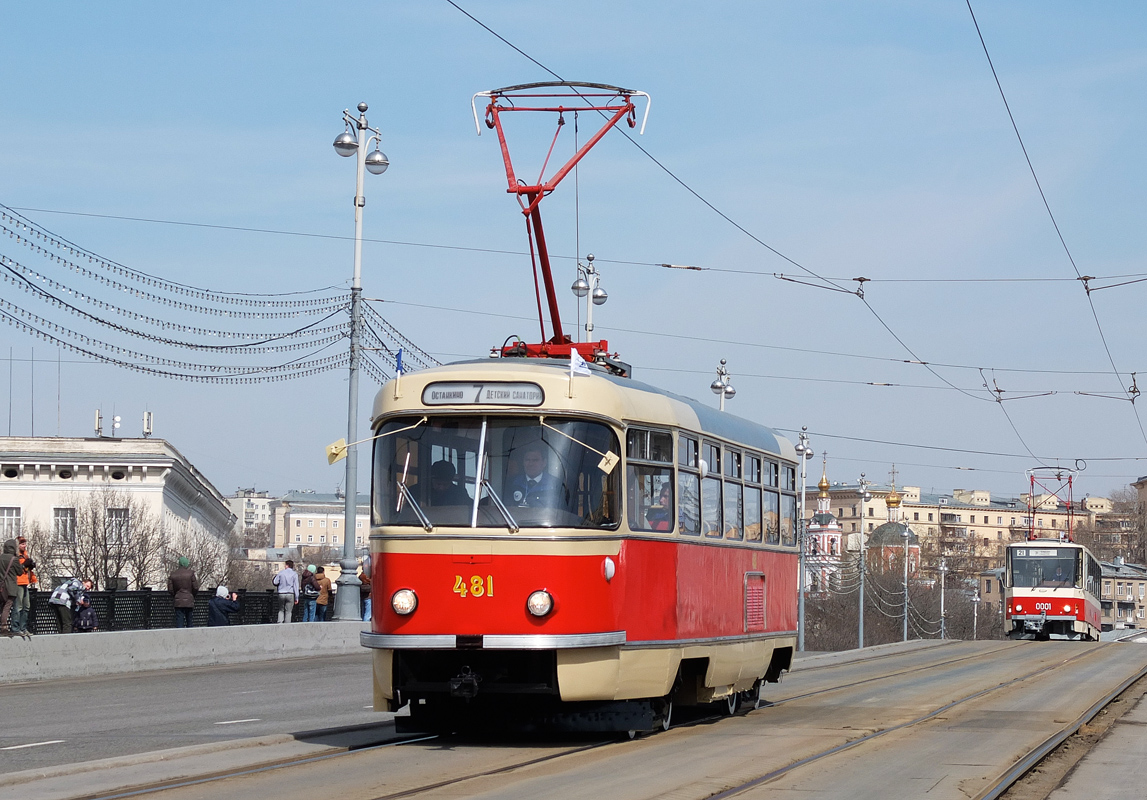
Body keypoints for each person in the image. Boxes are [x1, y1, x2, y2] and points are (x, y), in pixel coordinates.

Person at [1, 538, 26, 637]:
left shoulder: (1, 557)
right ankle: (4, 627)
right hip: (10, 587)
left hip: (1, 587)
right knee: (7, 607)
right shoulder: (14, 559)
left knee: (2, 606)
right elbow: (19, 572)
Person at [12, 537, 37, 636]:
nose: (24, 546)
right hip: (18, 582)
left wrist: (30, 566)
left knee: (26, 606)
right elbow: (16, 570)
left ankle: (23, 628)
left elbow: (25, 568)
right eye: (22, 544)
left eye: (25, 544)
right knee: (18, 606)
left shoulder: (24, 555)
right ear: (17, 545)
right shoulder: (16, 556)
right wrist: (24, 565)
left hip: (25, 582)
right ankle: (15, 628)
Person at [167, 556, 200, 628]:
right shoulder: (191, 574)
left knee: (179, 621)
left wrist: (176, 596)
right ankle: (190, 637)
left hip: (178, 601)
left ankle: (179, 637)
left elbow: (170, 589)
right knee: (189, 621)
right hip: (189, 600)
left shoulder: (173, 574)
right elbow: (195, 588)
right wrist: (191, 595)